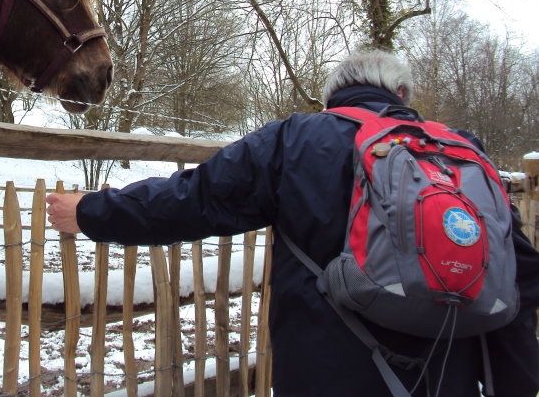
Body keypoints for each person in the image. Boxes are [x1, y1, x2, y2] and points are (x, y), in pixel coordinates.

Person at [47, 49, 539, 397]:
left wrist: (90, 211)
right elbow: (520, 275)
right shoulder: (463, 152)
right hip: (449, 374)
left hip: (326, 371)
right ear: (403, 94)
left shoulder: (299, 139)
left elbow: (192, 198)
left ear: (333, 99)